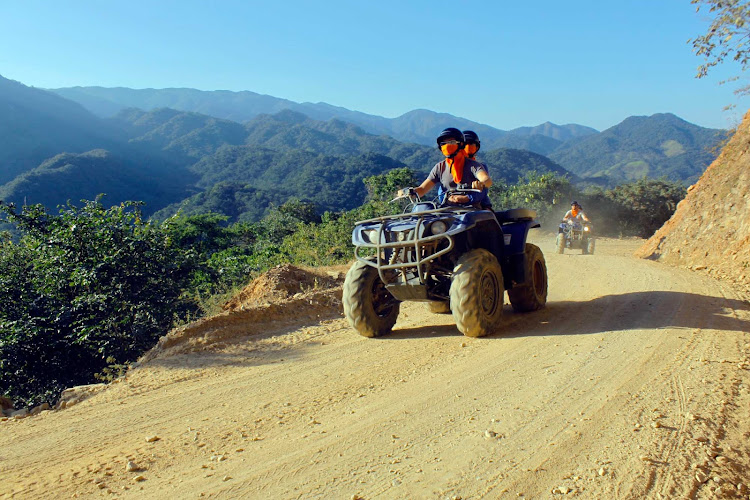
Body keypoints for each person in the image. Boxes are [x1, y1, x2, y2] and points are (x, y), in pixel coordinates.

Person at [398, 128, 493, 207]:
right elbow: (422, 189)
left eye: (451, 142)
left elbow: (486, 179)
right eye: (444, 143)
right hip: (447, 210)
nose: (447, 146)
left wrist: (481, 183)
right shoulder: (439, 167)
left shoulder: (473, 165)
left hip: (472, 209)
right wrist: (409, 192)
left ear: (460, 144)